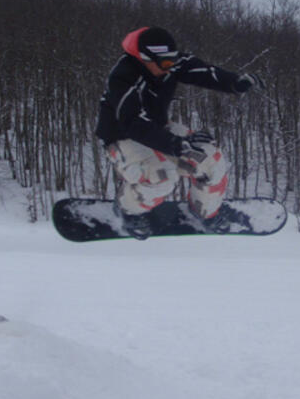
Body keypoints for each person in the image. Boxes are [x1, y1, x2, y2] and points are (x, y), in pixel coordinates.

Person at [95, 26, 262, 239]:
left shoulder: (169, 63)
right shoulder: (122, 77)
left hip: (159, 129)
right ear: (144, 59)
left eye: (173, 60)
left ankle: (203, 212)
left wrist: (236, 83)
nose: (170, 67)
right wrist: (177, 144)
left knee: (211, 161)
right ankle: (129, 209)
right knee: (162, 177)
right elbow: (133, 123)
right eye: (165, 63)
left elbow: (203, 72)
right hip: (122, 136)